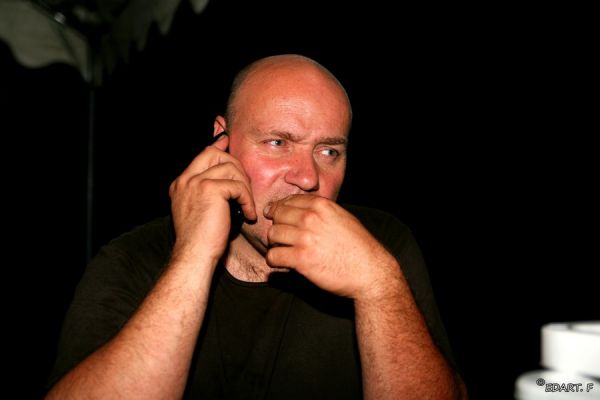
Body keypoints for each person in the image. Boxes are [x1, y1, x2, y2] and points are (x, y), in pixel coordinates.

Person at [46, 54, 467, 399]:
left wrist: (378, 285)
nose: (308, 178)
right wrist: (193, 255)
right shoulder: (134, 257)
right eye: (278, 143)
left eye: (329, 152)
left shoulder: (382, 243)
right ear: (222, 140)